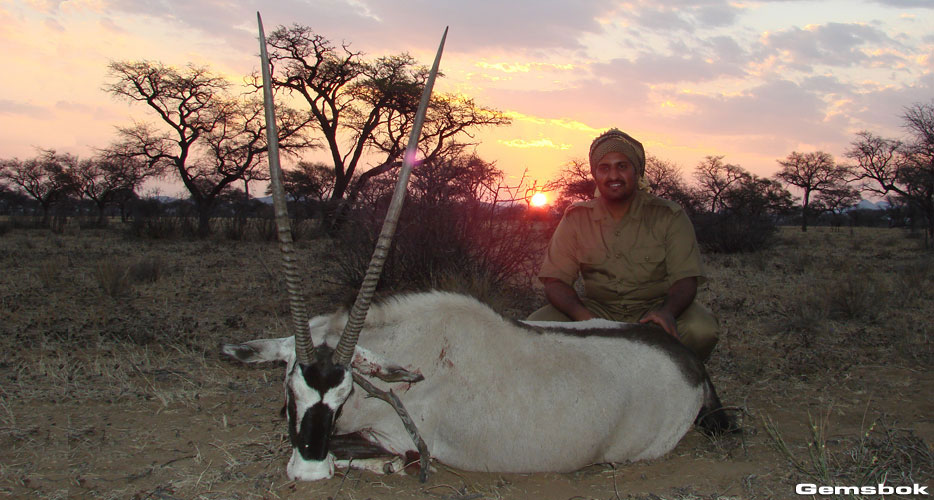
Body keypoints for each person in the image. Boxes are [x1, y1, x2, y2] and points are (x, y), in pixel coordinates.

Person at [527, 128, 719, 362]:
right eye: (604, 168)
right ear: (595, 174)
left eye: (622, 166)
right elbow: (555, 281)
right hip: (597, 310)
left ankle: (678, 378)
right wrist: (586, 320)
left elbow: (686, 279)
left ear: (637, 172)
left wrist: (667, 312)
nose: (613, 176)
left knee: (701, 330)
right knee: (534, 329)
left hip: (655, 309)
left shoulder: (670, 215)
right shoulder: (576, 217)